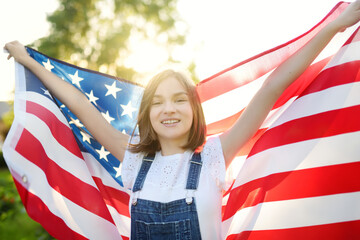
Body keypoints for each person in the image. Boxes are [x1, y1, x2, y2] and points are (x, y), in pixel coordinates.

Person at [4, 1, 360, 239]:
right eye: (157, 102)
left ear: (194, 110)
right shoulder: (133, 160)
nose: (168, 109)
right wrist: (30, 62)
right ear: (147, 115)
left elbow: (272, 88)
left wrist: (336, 27)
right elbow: (82, 106)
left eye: (179, 100)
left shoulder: (214, 157)